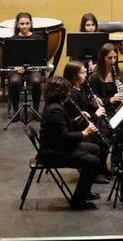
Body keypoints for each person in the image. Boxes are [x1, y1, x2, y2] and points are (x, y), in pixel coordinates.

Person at [39, 77, 102, 209]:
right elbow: (65, 137)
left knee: (95, 149)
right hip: (53, 153)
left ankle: (85, 191)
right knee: (93, 162)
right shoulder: (55, 110)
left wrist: (76, 120)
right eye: (67, 91)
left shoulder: (54, 106)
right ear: (61, 93)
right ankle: (78, 201)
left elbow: (61, 128)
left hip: (57, 147)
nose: (69, 93)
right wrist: (85, 132)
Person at [62, 60, 111, 184]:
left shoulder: (82, 87)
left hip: (87, 123)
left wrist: (93, 104)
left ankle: (102, 166)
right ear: (74, 76)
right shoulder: (71, 94)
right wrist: (97, 114)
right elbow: (79, 118)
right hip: (78, 128)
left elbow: (85, 108)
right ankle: (95, 171)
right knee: (102, 140)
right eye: (82, 73)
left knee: (111, 132)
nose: (85, 75)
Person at [7, 12, 44, 115]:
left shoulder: (38, 39)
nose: (25, 26)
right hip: (16, 70)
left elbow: (41, 59)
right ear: (18, 25)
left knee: (36, 81)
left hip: (33, 69)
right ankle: (15, 112)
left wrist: (33, 65)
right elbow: (9, 61)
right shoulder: (12, 40)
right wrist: (16, 67)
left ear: (31, 24)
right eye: (22, 24)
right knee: (14, 81)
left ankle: (36, 111)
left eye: (27, 23)